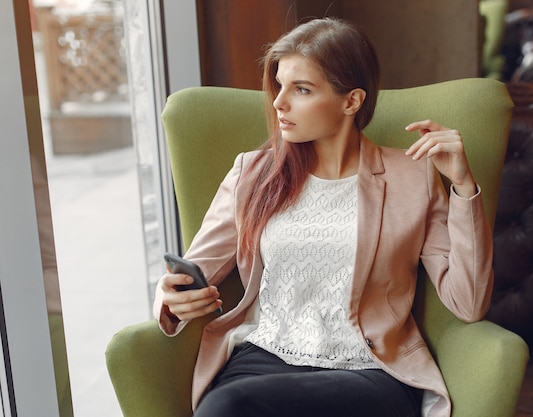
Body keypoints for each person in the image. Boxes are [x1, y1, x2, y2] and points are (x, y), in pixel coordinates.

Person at [154, 17, 494, 417]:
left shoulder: (413, 176)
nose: (279, 102)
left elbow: (469, 302)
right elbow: (192, 274)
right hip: (262, 361)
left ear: (351, 101)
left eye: (301, 89)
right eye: (279, 85)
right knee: (227, 404)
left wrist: (463, 185)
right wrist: (168, 296)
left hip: (368, 371)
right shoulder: (252, 173)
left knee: (229, 406)